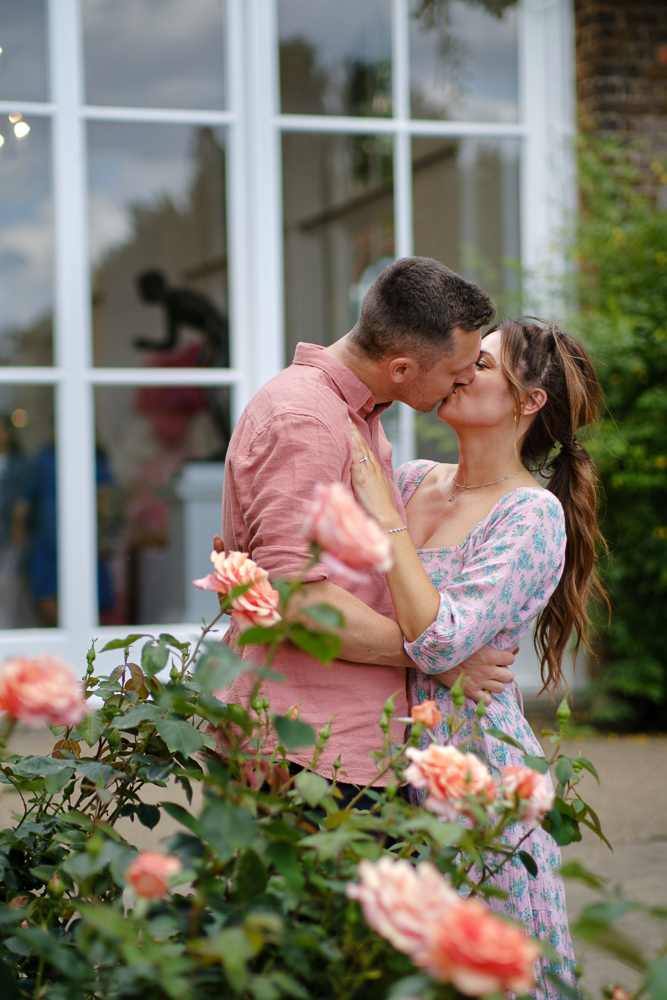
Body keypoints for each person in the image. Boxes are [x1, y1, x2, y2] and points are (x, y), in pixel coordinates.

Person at [349, 316, 606, 996]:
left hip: (473, 776)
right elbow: (362, 617)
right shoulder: (406, 480)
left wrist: (387, 523)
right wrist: (438, 661)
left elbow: (438, 635)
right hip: (372, 755)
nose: (458, 370)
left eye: (482, 364)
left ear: (528, 403)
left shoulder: (528, 514)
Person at [217, 257, 517, 805]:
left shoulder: (354, 417)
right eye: (459, 371)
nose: (469, 379)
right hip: (306, 751)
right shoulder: (307, 421)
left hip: (341, 744)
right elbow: (299, 602)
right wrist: (439, 658)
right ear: (402, 369)